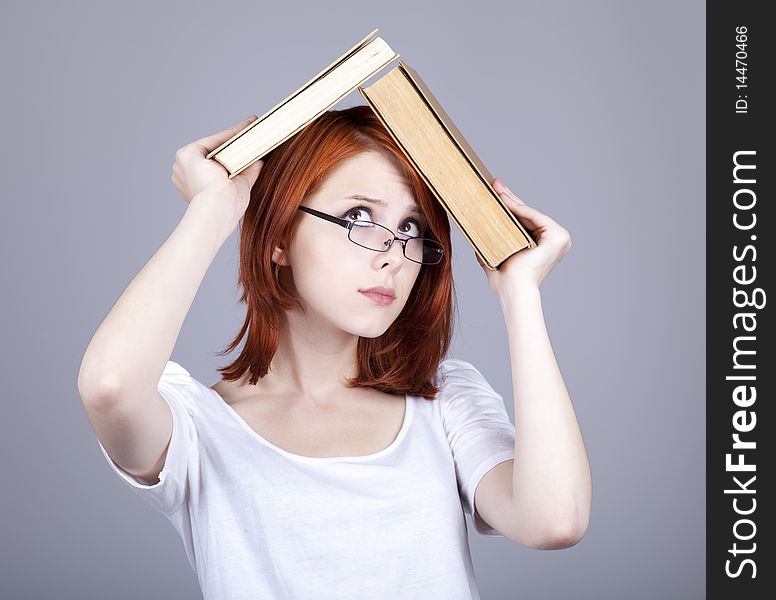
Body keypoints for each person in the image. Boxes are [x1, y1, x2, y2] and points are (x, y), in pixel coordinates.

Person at [77, 106, 591, 600]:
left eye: (412, 227)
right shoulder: (197, 424)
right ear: (280, 237)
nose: (393, 253)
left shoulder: (444, 402)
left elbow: (553, 520)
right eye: (359, 216)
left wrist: (521, 291)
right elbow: (110, 388)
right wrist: (214, 207)